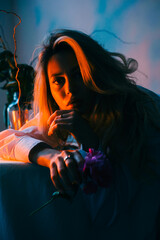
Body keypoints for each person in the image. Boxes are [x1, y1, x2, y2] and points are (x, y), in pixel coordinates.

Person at [0, 29, 160, 238]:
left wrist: (90, 141)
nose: (70, 90)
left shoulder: (139, 110)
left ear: (96, 72)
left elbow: (120, 217)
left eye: (78, 75)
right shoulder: (68, 112)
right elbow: (6, 140)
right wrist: (50, 155)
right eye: (58, 80)